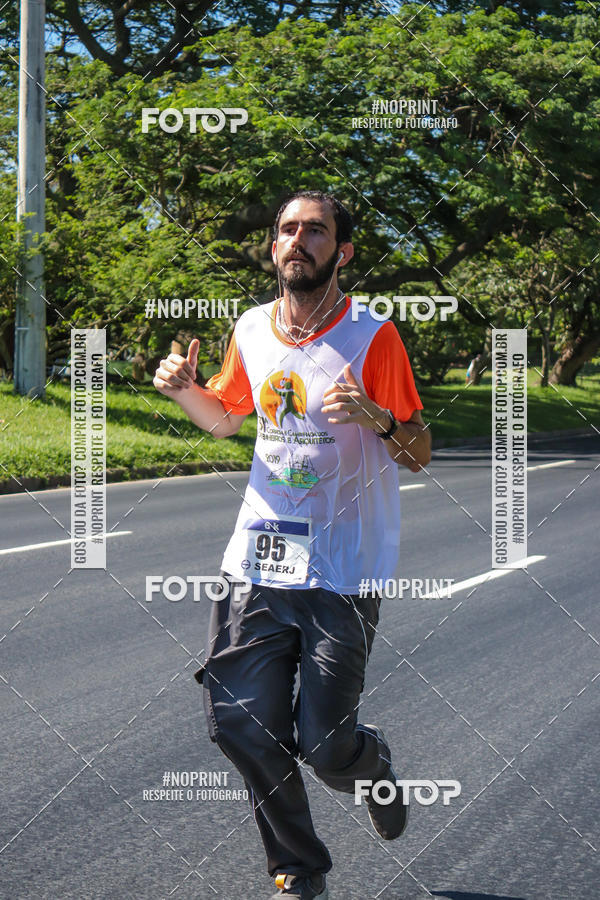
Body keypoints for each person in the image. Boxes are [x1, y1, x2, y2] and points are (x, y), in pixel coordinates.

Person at [153, 190, 431, 899]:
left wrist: (376, 416)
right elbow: (225, 418)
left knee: (327, 746)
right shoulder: (251, 328)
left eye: (316, 230)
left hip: (344, 567)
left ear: (343, 251)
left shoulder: (373, 337)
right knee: (237, 721)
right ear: (273, 246)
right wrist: (183, 390)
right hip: (259, 555)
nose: (298, 240)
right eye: (287, 229)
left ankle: (370, 766)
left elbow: (418, 452)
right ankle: (299, 867)